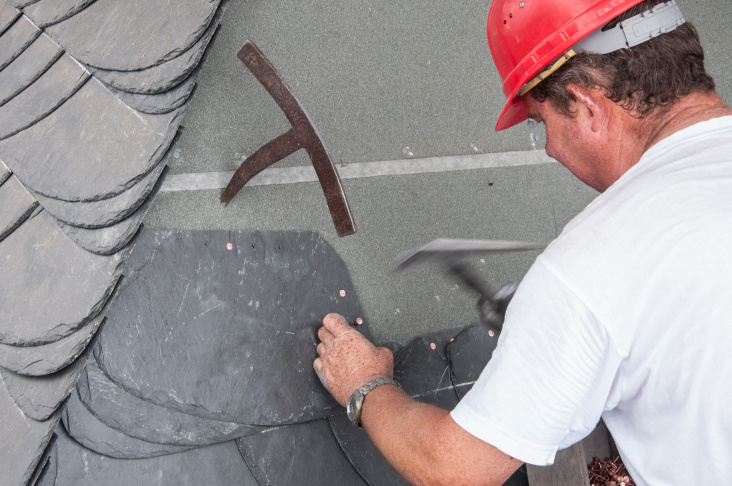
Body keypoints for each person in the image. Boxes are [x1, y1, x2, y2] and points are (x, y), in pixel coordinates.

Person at [314, 0, 732, 484]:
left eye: (541, 123)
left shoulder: (592, 265)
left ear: (589, 106)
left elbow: (454, 469)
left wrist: (366, 387)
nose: (552, 148)